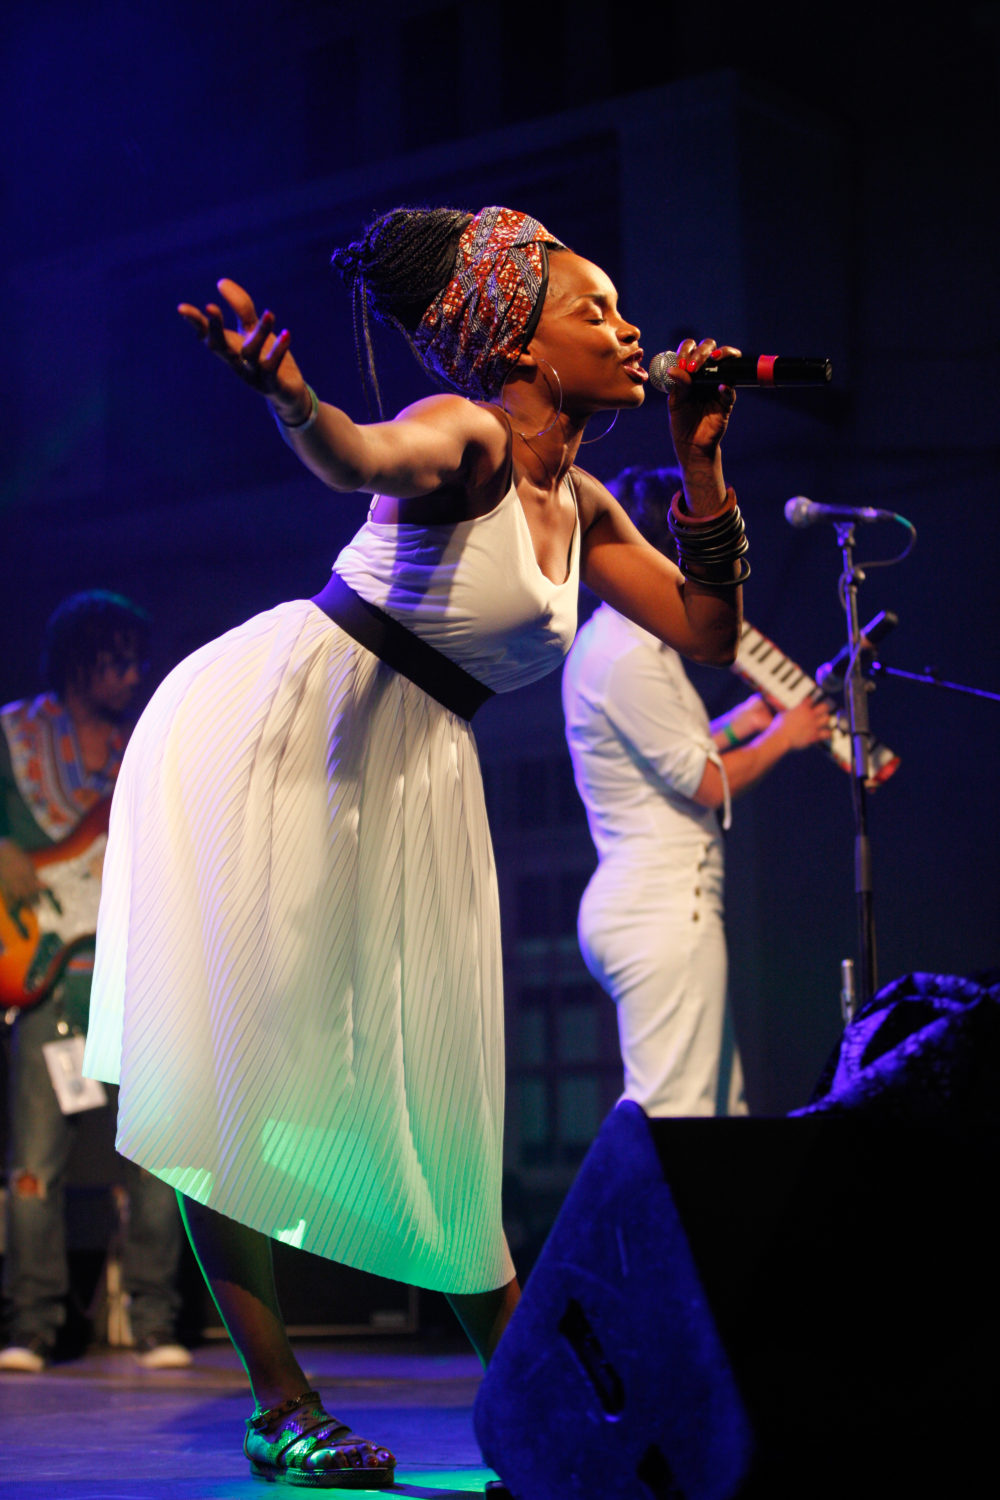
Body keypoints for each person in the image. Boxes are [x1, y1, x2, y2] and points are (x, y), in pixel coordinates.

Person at [82, 205, 750, 1487]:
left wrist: (702, 467)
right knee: (234, 1069)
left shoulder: (585, 503)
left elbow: (709, 633)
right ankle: (284, 1404)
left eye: (623, 310)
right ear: (521, 345)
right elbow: (357, 455)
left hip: (411, 771)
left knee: (441, 1090)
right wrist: (290, 397)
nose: (628, 330)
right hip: (280, 736)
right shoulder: (472, 436)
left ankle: (538, 1412)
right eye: (595, 310)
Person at [563, 466, 832, 1118]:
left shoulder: (626, 645)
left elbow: (670, 752)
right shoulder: (626, 655)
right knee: (677, 1114)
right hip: (659, 908)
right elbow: (705, 783)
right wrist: (786, 736)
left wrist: (745, 722)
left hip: (658, 904)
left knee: (717, 1110)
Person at [0, 591, 191, 1373]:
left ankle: (155, 1317)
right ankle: (31, 1324)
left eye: (137, 662)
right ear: (80, 661)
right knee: (33, 1166)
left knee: (158, 1159)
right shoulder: (12, 734)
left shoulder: (145, 746)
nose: (132, 675)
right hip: (44, 976)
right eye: (118, 661)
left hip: (135, 976)